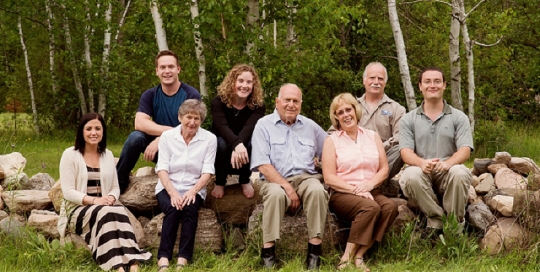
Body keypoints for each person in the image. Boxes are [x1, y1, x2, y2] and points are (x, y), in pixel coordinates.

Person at [58, 113, 152, 272]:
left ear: (103, 132)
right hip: (76, 209)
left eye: (97, 128)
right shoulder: (70, 155)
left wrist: (111, 197)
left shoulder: (107, 155)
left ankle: (132, 262)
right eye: (88, 129)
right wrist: (95, 201)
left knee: (118, 210)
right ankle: (118, 267)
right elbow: (67, 192)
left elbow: (115, 186)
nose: (93, 132)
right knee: (106, 213)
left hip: (103, 205)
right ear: (82, 131)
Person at [250, 83, 329, 270]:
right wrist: (287, 187)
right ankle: (268, 253)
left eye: (295, 101)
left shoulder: (310, 126)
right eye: (287, 100)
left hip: (307, 178)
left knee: (318, 190)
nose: (291, 105)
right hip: (273, 180)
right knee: (277, 195)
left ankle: (314, 252)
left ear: (300, 104)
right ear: (277, 102)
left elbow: (330, 148)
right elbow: (262, 164)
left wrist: (324, 164)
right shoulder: (263, 125)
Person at [322, 93, 398, 271]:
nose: (346, 114)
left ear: (356, 111)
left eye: (348, 109)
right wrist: (356, 190)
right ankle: (345, 258)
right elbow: (329, 177)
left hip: (371, 190)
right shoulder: (331, 140)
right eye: (340, 112)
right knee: (370, 208)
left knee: (389, 208)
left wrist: (369, 186)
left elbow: (384, 169)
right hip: (343, 194)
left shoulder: (372, 136)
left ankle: (359, 254)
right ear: (336, 117)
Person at [399, 67, 473, 231]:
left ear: (444, 85)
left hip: (447, 173)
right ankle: (437, 222)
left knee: (460, 172)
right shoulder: (408, 119)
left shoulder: (458, 117)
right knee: (411, 174)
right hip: (421, 173)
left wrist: (448, 163)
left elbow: (465, 150)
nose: (432, 85)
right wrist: (420, 162)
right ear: (420, 86)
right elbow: (405, 152)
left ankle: (455, 228)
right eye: (427, 81)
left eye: (437, 81)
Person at [116, 50, 201, 193]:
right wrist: (164, 136)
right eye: (162, 67)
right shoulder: (150, 95)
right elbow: (140, 123)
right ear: (157, 71)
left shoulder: (191, 94)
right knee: (135, 138)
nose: (167, 71)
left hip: (183, 150)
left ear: (178, 69)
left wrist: (160, 139)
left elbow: (190, 128)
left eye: (171, 67)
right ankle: (118, 185)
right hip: (162, 149)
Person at [155, 99, 217, 271]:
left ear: (201, 120)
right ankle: (163, 258)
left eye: (197, 118)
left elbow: (207, 171)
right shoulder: (167, 137)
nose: (192, 122)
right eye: (189, 117)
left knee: (190, 209)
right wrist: (173, 193)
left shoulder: (209, 139)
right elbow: (162, 169)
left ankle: (183, 259)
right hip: (167, 186)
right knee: (173, 208)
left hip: (194, 187)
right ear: (180, 117)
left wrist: (193, 191)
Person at [210, 64, 266, 199]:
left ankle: (244, 180)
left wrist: (239, 145)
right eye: (240, 81)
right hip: (222, 143)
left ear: (254, 85)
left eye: (249, 82)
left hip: (244, 143)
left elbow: (249, 127)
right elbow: (222, 127)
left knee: (251, 144)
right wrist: (236, 144)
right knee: (222, 143)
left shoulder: (258, 105)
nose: (244, 85)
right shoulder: (218, 102)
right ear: (232, 82)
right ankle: (220, 181)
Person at [356, 62, 406, 182]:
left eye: (380, 79)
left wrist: (378, 148)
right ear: (364, 81)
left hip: (383, 158)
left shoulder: (397, 109)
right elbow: (333, 132)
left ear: (385, 83)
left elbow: (400, 136)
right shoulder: (351, 106)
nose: (376, 82)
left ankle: (377, 182)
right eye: (372, 78)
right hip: (354, 156)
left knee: (401, 148)